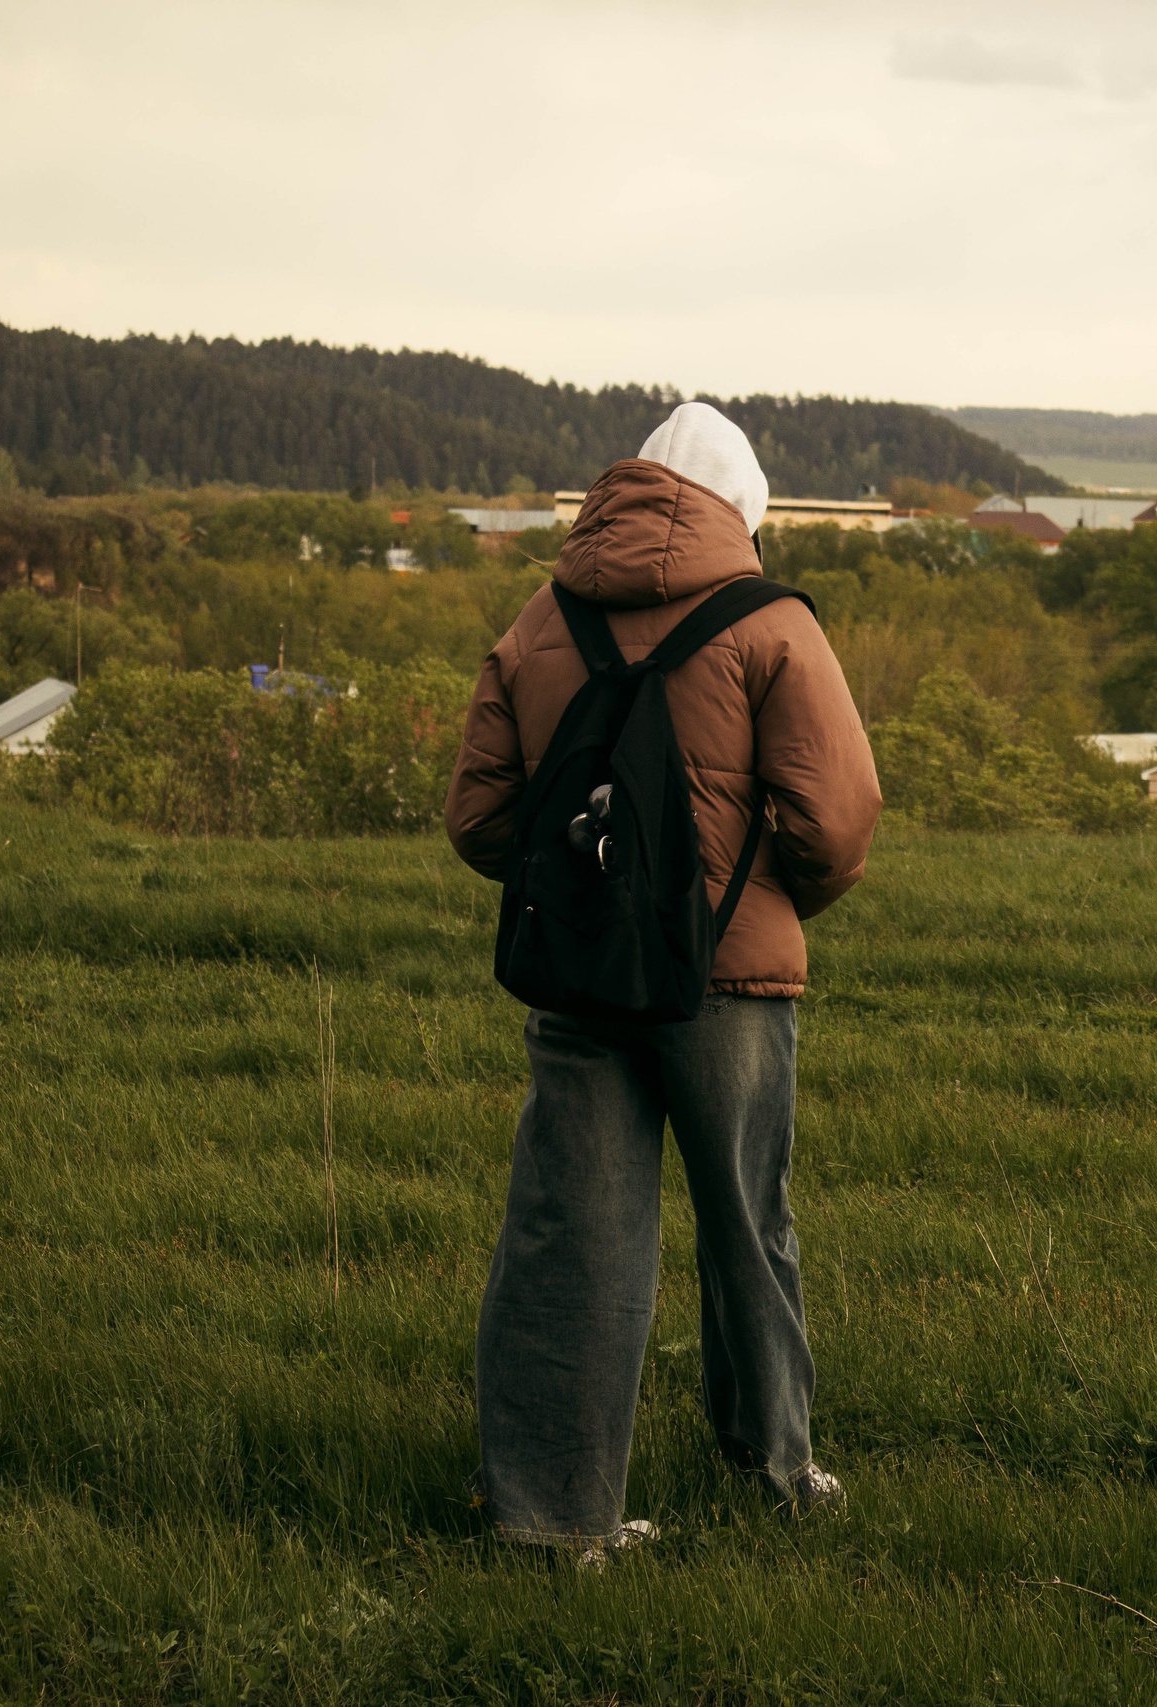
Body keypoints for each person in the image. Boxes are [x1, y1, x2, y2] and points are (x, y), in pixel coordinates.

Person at [443, 401, 881, 1567]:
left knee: (568, 1233)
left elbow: (480, 816)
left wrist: (583, 896)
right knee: (749, 1223)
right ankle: (777, 1470)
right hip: (730, 985)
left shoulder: (541, 619)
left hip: (579, 978)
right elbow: (835, 824)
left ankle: (552, 1521)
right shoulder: (770, 621)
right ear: (741, 509)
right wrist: (756, 907)